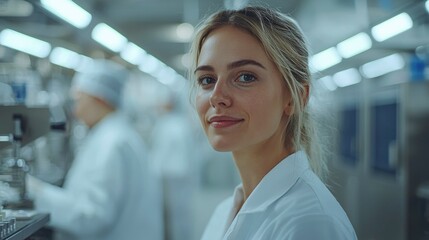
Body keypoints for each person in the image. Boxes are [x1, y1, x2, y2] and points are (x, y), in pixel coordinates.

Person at [188, 6, 358, 239]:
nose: (217, 97)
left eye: (245, 77)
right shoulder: (225, 212)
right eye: (207, 80)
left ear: (296, 97)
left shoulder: (311, 224)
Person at [26, 59, 164, 240]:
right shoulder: (115, 135)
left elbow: (91, 218)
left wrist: (34, 191)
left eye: (79, 100)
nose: (75, 111)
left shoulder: (112, 143)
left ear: (100, 98)